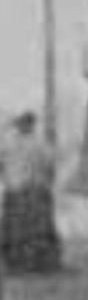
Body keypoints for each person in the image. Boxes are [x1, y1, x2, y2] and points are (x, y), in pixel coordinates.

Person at [1, 111, 62, 273]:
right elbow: (51, 168)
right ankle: (25, 263)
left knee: (27, 231)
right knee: (23, 231)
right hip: (24, 192)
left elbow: (50, 167)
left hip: (25, 192)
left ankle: (29, 263)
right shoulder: (35, 143)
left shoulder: (36, 143)